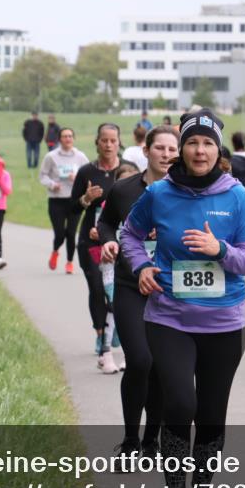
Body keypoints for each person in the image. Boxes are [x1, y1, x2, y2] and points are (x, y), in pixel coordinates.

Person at [120, 109, 245, 488]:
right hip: (169, 317)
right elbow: (129, 233)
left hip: (223, 322)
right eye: (193, 143)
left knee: (213, 414)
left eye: (208, 144)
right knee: (180, 404)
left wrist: (219, 249)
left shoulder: (236, 196)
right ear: (181, 148)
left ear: (219, 151)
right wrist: (141, 264)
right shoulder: (159, 193)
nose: (200, 151)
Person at [99, 125, 179, 458]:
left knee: (161, 366)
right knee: (140, 361)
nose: (166, 154)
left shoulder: (186, 192)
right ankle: (131, 439)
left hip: (170, 288)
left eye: (171, 149)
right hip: (131, 285)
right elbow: (106, 222)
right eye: (159, 148)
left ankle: (152, 441)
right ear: (145, 152)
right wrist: (107, 240)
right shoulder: (123, 189)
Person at [71, 123, 127, 372]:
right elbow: (73, 207)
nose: (108, 145)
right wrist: (87, 199)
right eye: (104, 140)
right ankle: (101, 332)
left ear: (119, 142)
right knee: (96, 287)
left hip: (118, 243)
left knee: (115, 292)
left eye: (113, 140)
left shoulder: (127, 171)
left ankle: (114, 330)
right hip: (90, 241)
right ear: (97, 142)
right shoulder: (86, 172)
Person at [40, 127, 90, 274]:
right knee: (60, 234)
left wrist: (79, 179)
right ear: (60, 139)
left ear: (73, 139)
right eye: (64, 136)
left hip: (74, 200)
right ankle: (55, 251)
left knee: (71, 233)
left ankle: (69, 262)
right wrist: (52, 184)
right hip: (56, 200)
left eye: (70, 136)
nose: (68, 139)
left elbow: (89, 175)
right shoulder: (51, 156)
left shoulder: (80, 156)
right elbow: (43, 175)